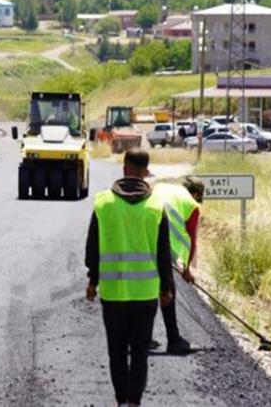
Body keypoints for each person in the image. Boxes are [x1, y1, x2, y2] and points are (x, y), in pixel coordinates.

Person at [85, 148, 174, 407]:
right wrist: (166, 289)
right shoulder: (156, 206)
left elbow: (93, 248)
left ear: (124, 169)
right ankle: (134, 402)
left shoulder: (103, 203)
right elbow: (163, 253)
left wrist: (93, 281)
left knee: (116, 350)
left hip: (113, 294)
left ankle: (121, 399)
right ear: (146, 173)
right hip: (146, 294)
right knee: (139, 352)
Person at [149, 176, 205, 354]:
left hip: (142, 236)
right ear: (196, 194)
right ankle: (174, 341)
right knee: (167, 289)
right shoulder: (191, 204)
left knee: (146, 289)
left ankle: (142, 337)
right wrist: (187, 269)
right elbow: (192, 240)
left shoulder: (161, 187)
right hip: (165, 245)